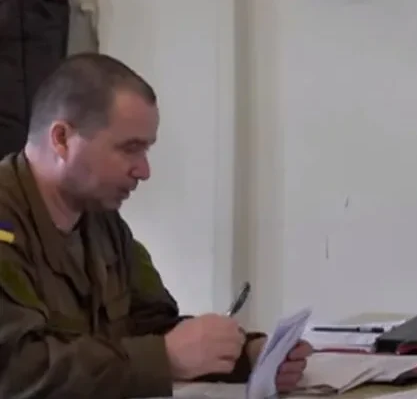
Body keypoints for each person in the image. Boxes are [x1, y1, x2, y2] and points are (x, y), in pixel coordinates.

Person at [0, 53, 313, 398]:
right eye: (129, 149)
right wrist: (165, 358)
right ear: (61, 139)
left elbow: (150, 325)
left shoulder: (102, 221)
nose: (144, 171)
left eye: (145, 150)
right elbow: (18, 371)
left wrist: (246, 356)